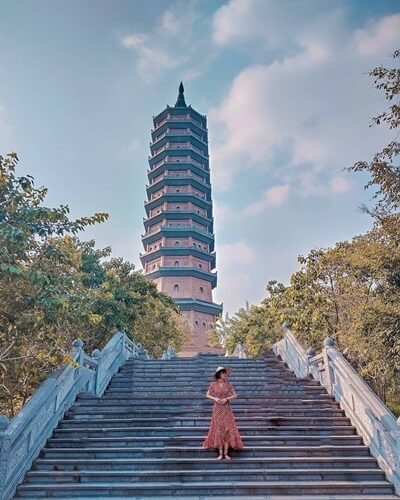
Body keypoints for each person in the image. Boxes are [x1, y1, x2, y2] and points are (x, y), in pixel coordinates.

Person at [202, 366, 244, 460]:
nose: (225, 375)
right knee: (219, 430)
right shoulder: (213, 385)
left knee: (227, 430)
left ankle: (226, 454)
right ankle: (220, 454)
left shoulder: (229, 385)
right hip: (217, 408)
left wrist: (226, 399)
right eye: (223, 373)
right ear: (219, 374)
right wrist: (215, 398)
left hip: (226, 408)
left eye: (225, 373)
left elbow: (235, 395)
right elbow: (207, 395)